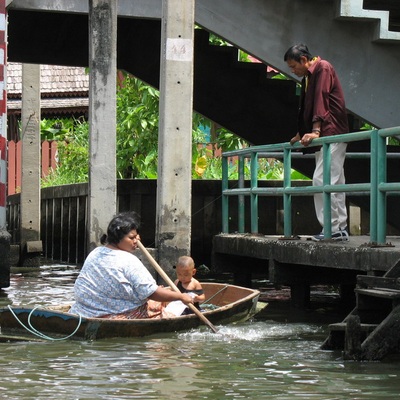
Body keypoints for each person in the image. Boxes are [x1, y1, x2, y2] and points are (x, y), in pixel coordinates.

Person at [69, 211, 194, 319]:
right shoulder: (128, 260)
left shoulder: (96, 252)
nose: (137, 240)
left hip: (84, 311)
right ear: (118, 238)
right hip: (113, 312)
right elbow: (151, 293)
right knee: (168, 308)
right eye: (132, 237)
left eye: (137, 235)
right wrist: (181, 296)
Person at [284, 43, 349, 242]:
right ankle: (338, 228)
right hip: (327, 135)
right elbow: (307, 105)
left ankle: (332, 228)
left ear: (304, 59)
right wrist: (301, 132)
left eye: (293, 66)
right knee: (333, 180)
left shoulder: (323, 68)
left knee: (322, 180)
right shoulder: (309, 76)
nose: (293, 71)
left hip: (332, 132)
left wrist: (315, 131)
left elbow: (321, 99)